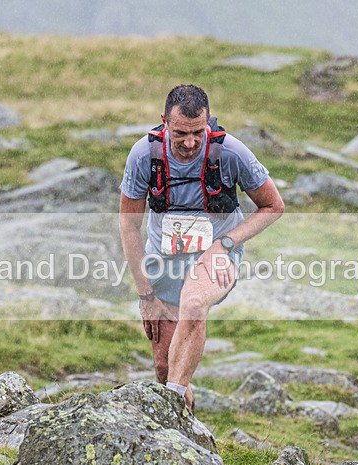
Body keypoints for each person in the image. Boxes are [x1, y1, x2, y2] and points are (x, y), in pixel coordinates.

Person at [119, 84, 284, 411]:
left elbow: (273, 206)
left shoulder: (231, 152)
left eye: (198, 132)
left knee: (194, 305)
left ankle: (172, 412)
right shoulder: (144, 155)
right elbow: (128, 225)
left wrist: (225, 244)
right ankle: (185, 416)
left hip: (217, 254)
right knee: (165, 370)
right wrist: (146, 297)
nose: (190, 142)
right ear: (164, 121)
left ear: (208, 122)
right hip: (164, 261)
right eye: (180, 133)